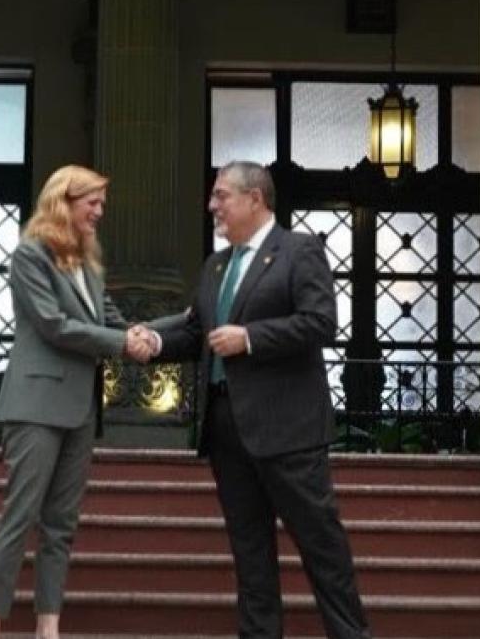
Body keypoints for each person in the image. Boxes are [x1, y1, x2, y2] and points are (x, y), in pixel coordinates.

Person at [138, 161, 370, 639]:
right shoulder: (216, 265)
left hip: (289, 431)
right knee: (249, 553)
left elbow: (321, 322)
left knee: (321, 547)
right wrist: (157, 345)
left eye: (221, 195)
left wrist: (252, 337)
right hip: (227, 430)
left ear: (255, 199)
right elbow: (199, 333)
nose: (212, 206)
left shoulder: (299, 251)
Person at [0, 165, 153, 639]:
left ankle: (47, 624)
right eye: (91, 202)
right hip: (34, 404)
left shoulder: (87, 265)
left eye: (100, 203)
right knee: (21, 515)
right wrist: (122, 344)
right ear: (64, 201)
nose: (99, 212)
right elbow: (54, 325)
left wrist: (149, 336)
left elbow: (111, 319)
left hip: (79, 408)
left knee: (62, 523)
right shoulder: (30, 256)